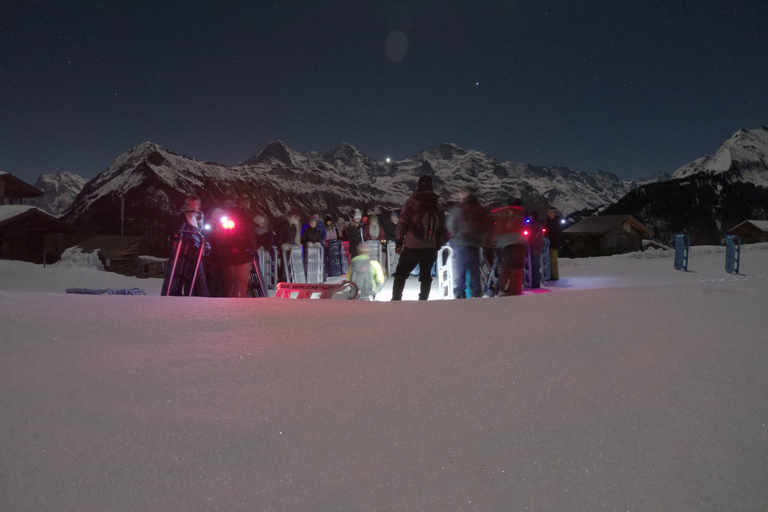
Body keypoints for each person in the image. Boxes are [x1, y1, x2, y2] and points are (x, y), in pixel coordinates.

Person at [391, 175, 446, 301]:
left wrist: (399, 242)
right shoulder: (437, 204)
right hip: (430, 246)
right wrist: (437, 246)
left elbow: (402, 223)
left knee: (401, 273)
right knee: (426, 275)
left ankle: (396, 300)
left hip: (412, 246)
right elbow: (442, 228)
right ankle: (423, 301)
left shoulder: (412, 202)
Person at [447, 185, 491, 298]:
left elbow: (451, 224)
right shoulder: (479, 209)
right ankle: (476, 294)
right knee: (475, 272)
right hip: (475, 244)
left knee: (460, 272)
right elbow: (486, 226)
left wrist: (456, 235)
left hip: (461, 243)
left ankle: (460, 296)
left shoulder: (459, 208)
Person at [174, 195, 210, 297]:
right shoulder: (185, 217)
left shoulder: (192, 217)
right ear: (191, 204)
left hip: (193, 251)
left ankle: (191, 298)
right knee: (199, 279)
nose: (198, 206)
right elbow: (183, 233)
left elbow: (197, 233)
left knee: (192, 279)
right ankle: (206, 301)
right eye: (196, 204)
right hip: (191, 252)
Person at [220, 197, 255, 297]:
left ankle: (233, 299)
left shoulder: (230, 216)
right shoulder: (246, 216)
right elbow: (249, 234)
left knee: (233, 280)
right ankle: (242, 300)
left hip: (231, 252)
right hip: (243, 251)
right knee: (243, 280)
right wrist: (253, 248)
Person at [526, 210, 545, 288]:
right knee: (534, 266)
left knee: (535, 266)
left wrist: (528, 240)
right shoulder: (535, 224)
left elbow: (536, 236)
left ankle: (535, 283)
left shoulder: (536, 225)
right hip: (535, 248)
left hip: (535, 248)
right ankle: (533, 282)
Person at [545, 206, 563, 281]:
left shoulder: (556, 222)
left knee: (553, 260)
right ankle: (550, 274)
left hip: (554, 243)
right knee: (549, 260)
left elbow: (556, 233)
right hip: (550, 243)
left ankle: (555, 276)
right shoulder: (550, 221)